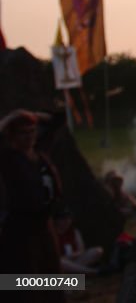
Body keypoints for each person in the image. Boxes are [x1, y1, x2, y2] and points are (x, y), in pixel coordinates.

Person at [0, 110, 64, 302]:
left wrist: (32, 115)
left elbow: (58, 121)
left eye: (32, 131)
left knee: (51, 273)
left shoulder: (41, 153)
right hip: (21, 227)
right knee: (25, 275)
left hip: (44, 224)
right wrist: (10, 119)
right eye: (23, 133)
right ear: (12, 136)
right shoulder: (8, 159)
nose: (29, 137)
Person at [53, 206, 104, 274]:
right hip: (63, 262)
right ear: (57, 220)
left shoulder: (74, 232)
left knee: (97, 251)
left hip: (76, 260)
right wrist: (66, 257)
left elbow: (81, 250)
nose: (66, 221)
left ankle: (74, 271)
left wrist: (73, 255)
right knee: (60, 262)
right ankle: (93, 271)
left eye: (68, 218)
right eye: (63, 219)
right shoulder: (53, 234)